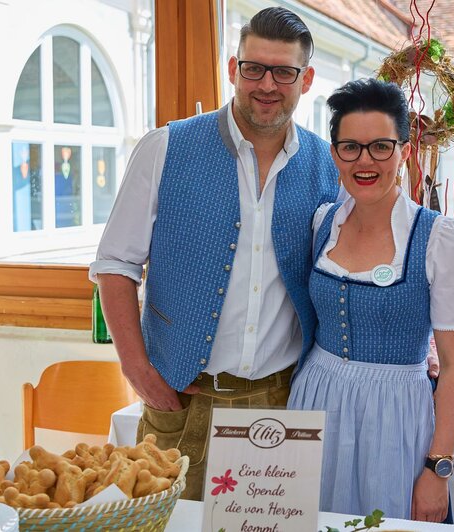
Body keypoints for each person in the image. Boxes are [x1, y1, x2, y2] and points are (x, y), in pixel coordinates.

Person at [89, 7, 339, 500]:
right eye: (254, 68)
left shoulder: (327, 165)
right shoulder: (165, 147)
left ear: (305, 79)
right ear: (233, 69)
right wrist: (139, 373)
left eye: (283, 71)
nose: (267, 84)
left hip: (282, 403)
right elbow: (115, 268)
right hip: (183, 401)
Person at [287, 78, 454, 523]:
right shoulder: (321, 223)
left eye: (381, 147)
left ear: (405, 151)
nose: (365, 161)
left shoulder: (440, 240)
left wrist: (438, 470)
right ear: (334, 154)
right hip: (315, 401)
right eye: (350, 147)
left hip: (395, 415)